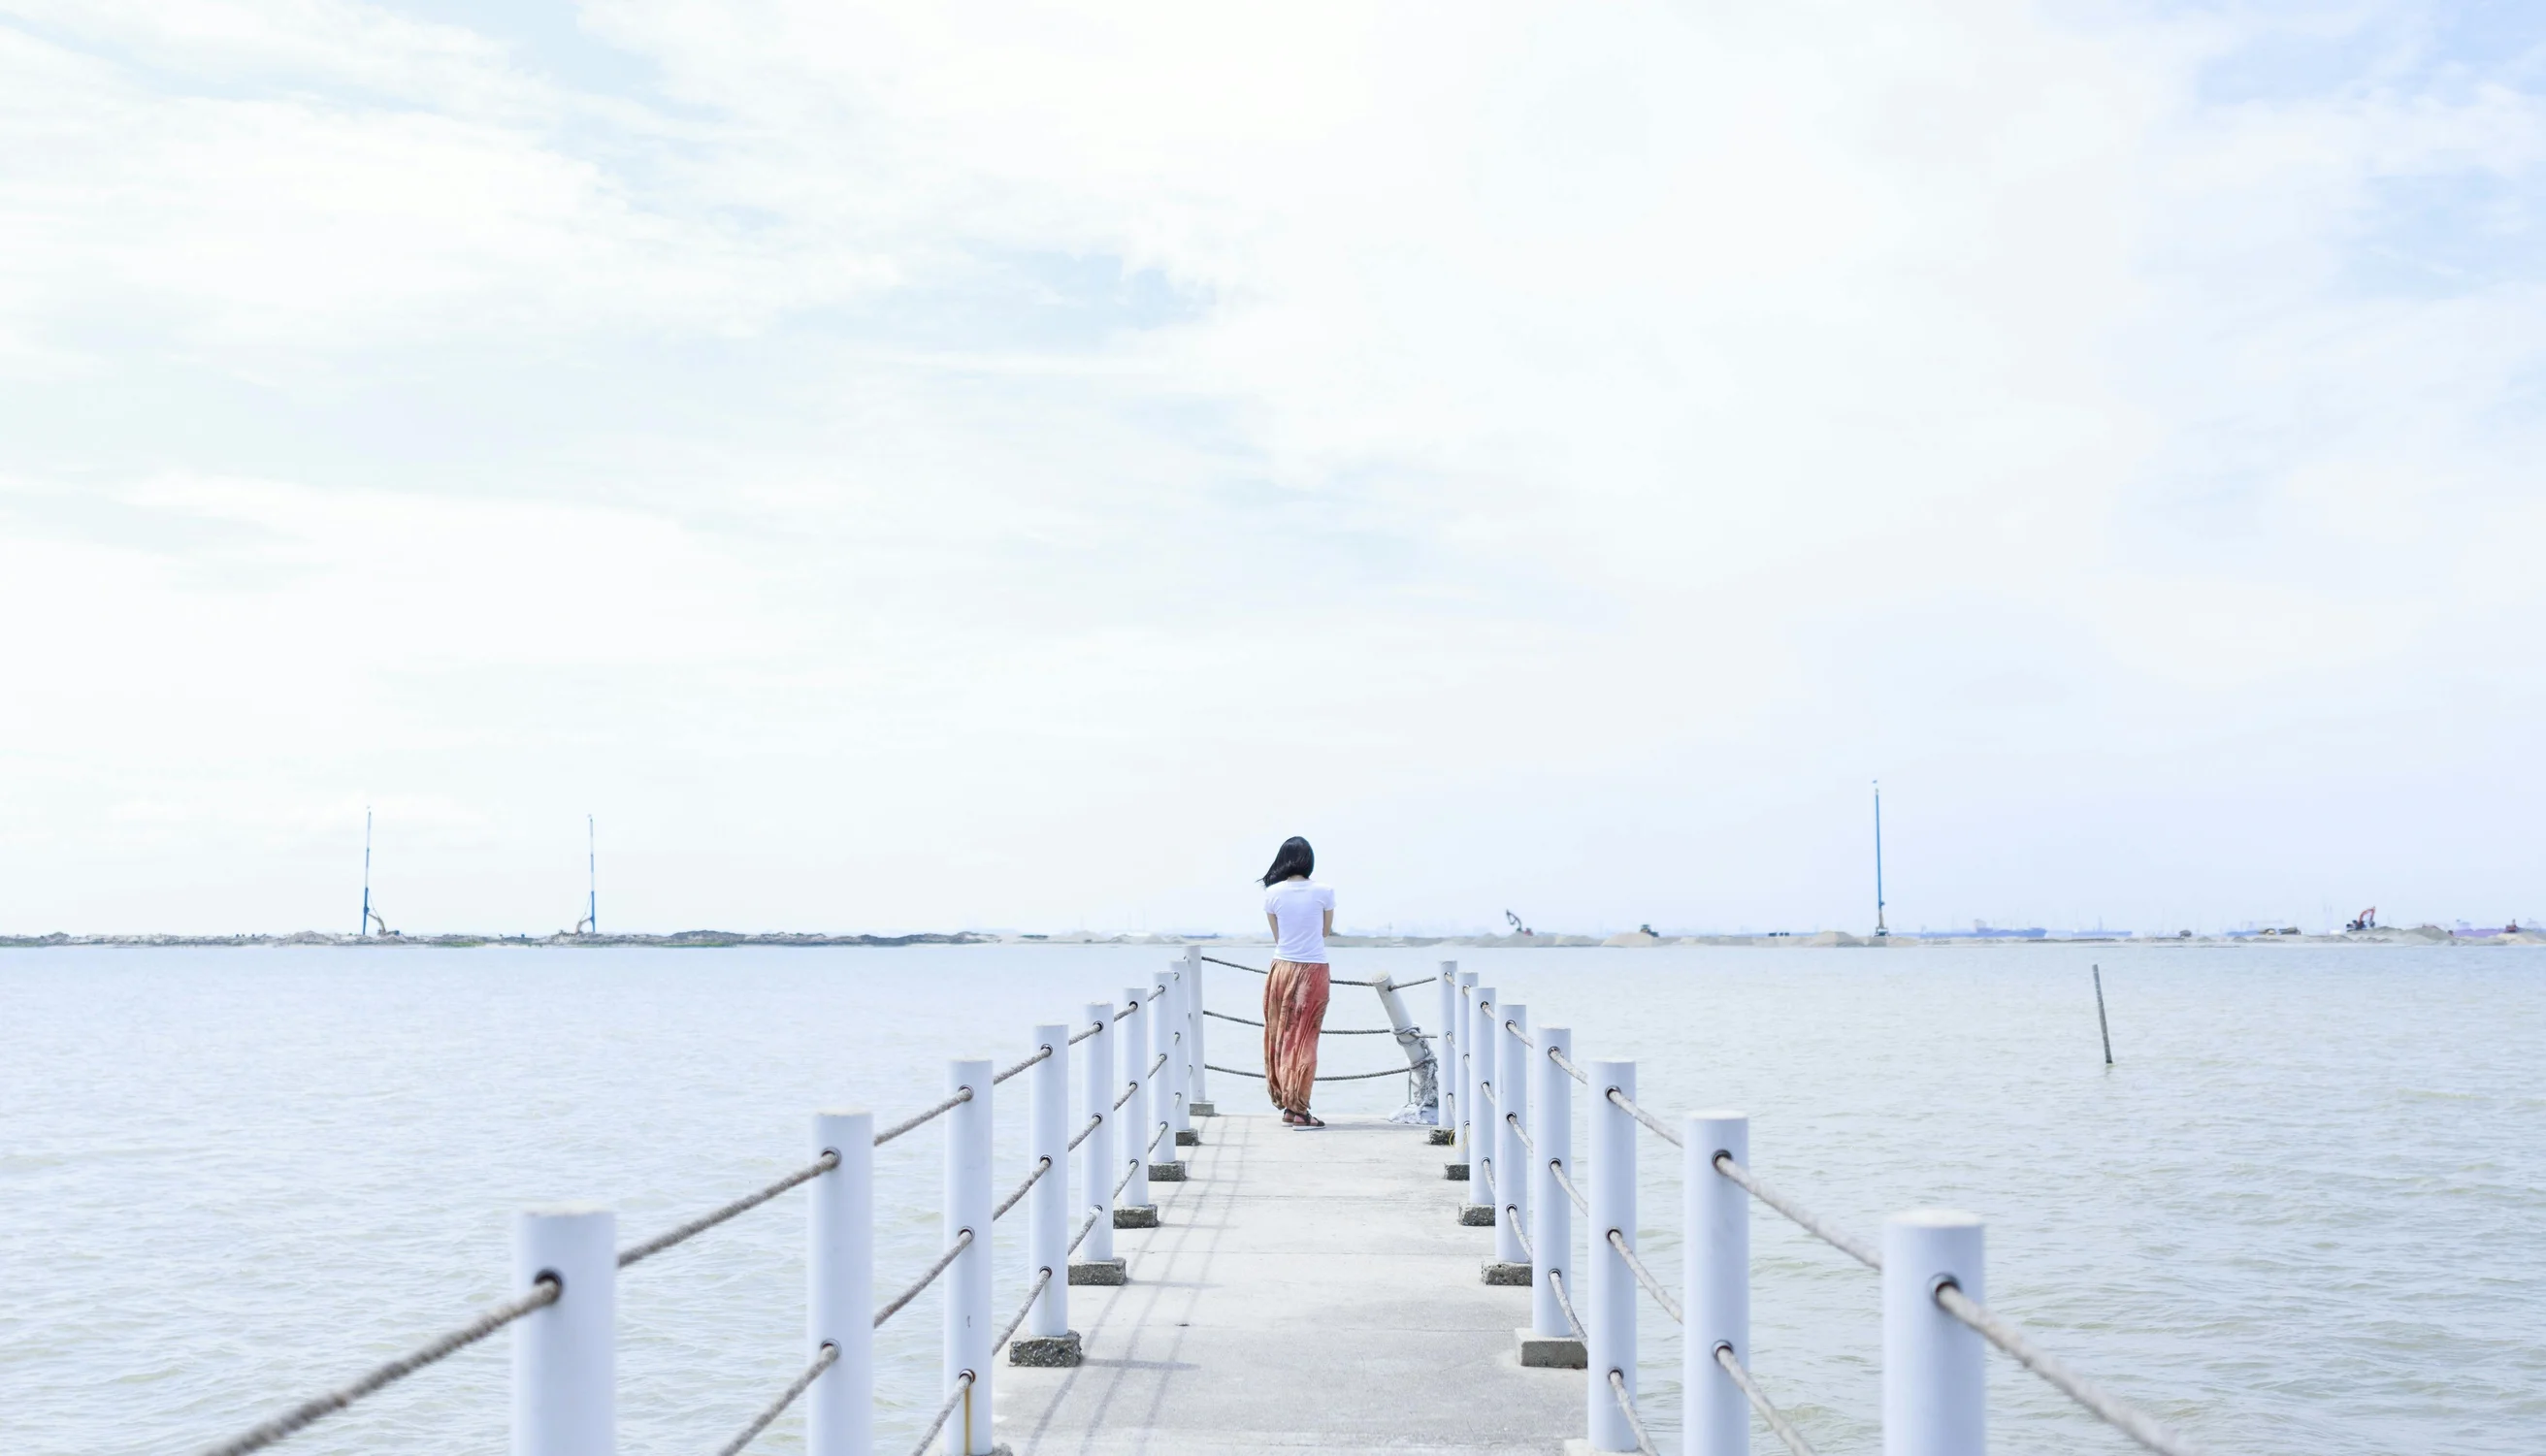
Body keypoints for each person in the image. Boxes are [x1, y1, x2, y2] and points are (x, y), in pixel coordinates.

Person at [1258, 835, 1333, 1128]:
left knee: (1280, 1036)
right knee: (1306, 1039)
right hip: (1313, 969)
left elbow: (1279, 937)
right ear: (1308, 860)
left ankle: (1289, 1105)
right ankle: (1300, 1109)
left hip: (1281, 969)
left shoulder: (1273, 893)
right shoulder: (1325, 891)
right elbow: (1325, 932)